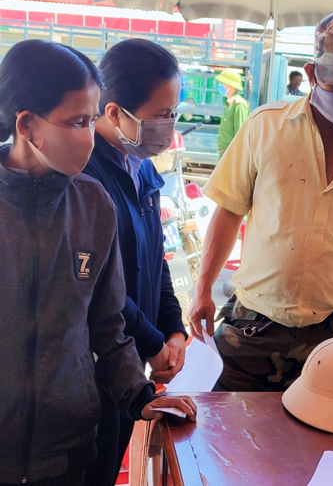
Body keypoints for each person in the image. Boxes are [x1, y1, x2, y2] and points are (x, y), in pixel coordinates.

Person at [189, 10, 333, 392]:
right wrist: (202, 290)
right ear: (312, 75)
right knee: (223, 438)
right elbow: (228, 211)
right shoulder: (265, 127)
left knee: (325, 445)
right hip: (253, 328)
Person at [0, 40, 196, 486]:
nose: (90, 137)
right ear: (27, 124)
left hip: (67, 449)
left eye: (91, 120)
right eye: (78, 121)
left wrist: (140, 395)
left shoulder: (93, 205)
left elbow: (108, 324)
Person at [81, 39, 188, 486]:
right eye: (161, 115)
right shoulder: (86, 175)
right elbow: (103, 286)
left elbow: (155, 259)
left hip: (136, 360)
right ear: (115, 113)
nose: (169, 125)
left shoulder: (142, 166)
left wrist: (173, 328)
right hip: (96, 361)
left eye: (173, 112)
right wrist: (150, 342)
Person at [215, 68, 249, 158]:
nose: (220, 85)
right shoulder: (229, 103)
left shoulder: (239, 105)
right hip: (224, 154)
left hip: (230, 155)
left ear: (231, 87)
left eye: (223, 84)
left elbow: (240, 134)